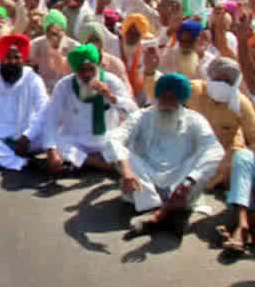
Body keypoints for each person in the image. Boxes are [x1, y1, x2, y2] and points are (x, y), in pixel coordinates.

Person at [105, 73, 223, 239]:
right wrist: (126, 172)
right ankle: (171, 213)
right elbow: (114, 139)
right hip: (146, 183)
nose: (167, 100)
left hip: (181, 184)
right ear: (158, 95)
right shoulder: (141, 115)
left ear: (182, 99)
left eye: (173, 96)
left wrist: (190, 180)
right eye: (164, 95)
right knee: (123, 154)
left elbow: (214, 149)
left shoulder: (195, 119)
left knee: (208, 154)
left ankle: (158, 216)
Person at [40, 44, 136, 174]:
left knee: (119, 143)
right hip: (75, 140)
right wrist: (52, 152)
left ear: (97, 65)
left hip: (105, 140)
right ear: (74, 70)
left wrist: (111, 97)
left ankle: (82, 161)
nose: (87, 74)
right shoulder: (64, 85)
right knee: (56, 141)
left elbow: (133, 113)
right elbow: (51, 118)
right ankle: (95, 161)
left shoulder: (112, 81)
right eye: (81, 70)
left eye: (91, 69)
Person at [0, 34, 48, 170]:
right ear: (1, 58)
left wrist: (27, 136)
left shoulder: (32, 78)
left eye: (16, 58)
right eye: (8, 57)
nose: (12, 62)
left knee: (55, 135)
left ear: (23, 59)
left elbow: (43, 109)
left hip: (24, 130)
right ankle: (21, 163)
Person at [185, 57, 255, 190]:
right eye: (218, 79)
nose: (222, 84)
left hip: (224, 157)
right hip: (191, 148)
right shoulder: (193, 89)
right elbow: (159, 94)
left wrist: (243, 159)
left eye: (227, 81)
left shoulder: (241, 103)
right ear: (210, 76)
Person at [28, 10, 79, 93]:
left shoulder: (74, 47)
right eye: (50, 32)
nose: (53, 36)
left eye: (57, 32)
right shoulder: (36, 44)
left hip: (67, 91)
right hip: (43, 89)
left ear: (64, 31)